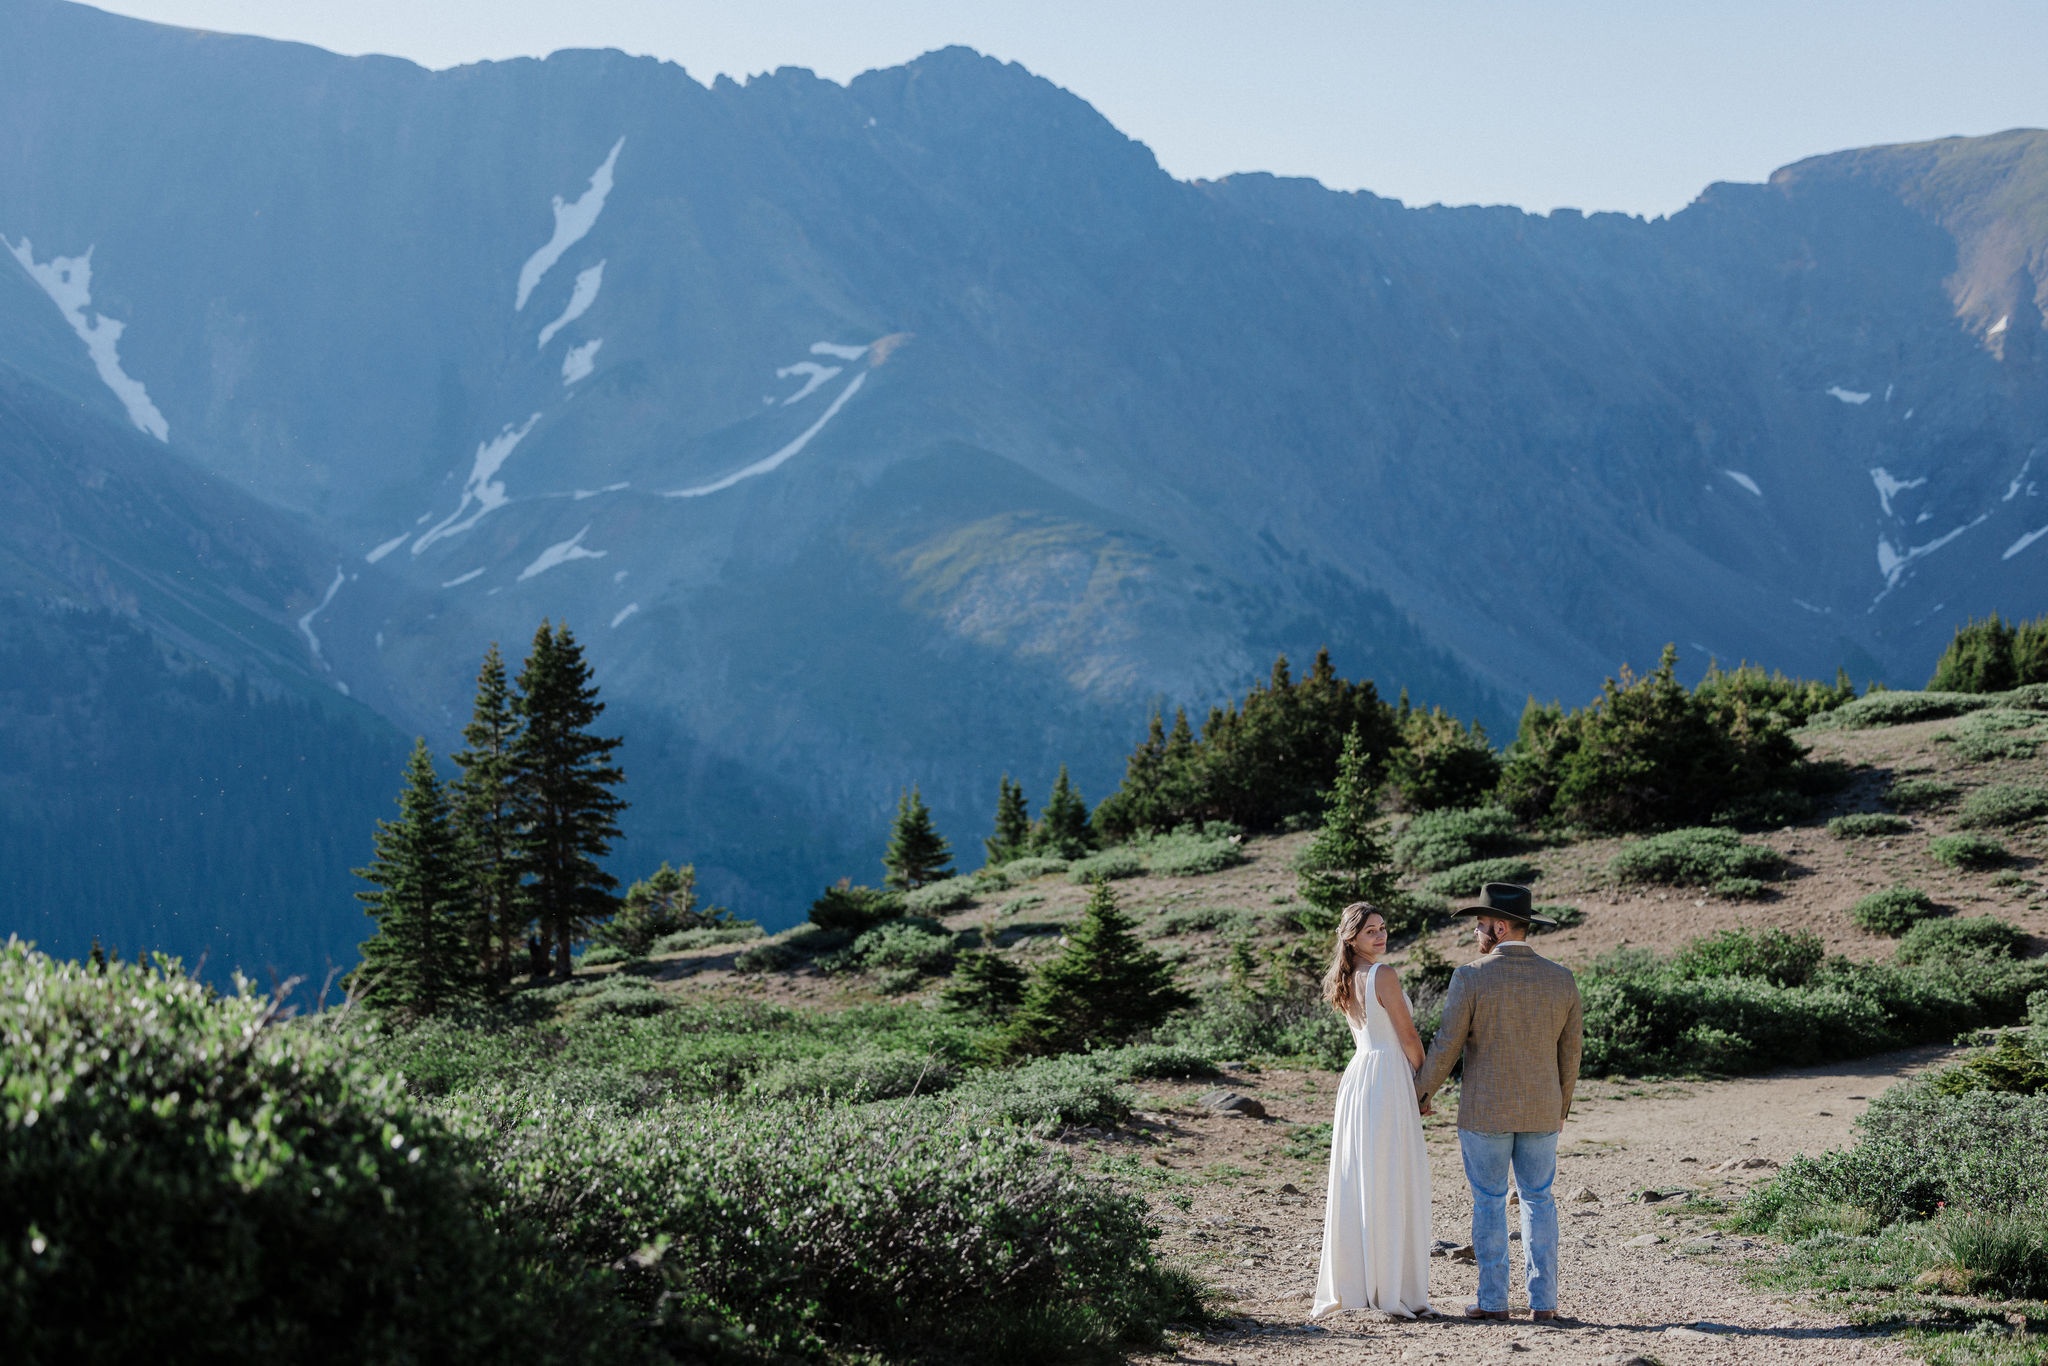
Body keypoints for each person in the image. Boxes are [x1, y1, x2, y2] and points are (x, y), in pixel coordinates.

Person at [1413, 883, 1583, 1322]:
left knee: (1488, 1201)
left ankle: (1493, 1303)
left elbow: (1447, 1044)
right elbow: (1571, 1052)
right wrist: (1561, 1108)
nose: (1475, 933)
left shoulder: (1470, 975)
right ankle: (1544, 1303)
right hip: (1542, 1109)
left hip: (1485, 1110)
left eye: (1480, 925)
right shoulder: (1561, 978)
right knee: (1539, 1200)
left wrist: (1418, 1095)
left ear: (1500, 927)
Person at [1311, 901, 1434, 1320]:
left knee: (1362, 1177)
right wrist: (1424, 1085)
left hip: (1359, 1076)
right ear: (1352, 937)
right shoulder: (1383, 974)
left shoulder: (1345, 977)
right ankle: (1391, 1286)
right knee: (1390, 1177)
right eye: (1370, 931)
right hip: (1387, 1078)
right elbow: (1409, 1038)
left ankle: (1360, 1283)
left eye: (1383, 927)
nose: (1381, 935)